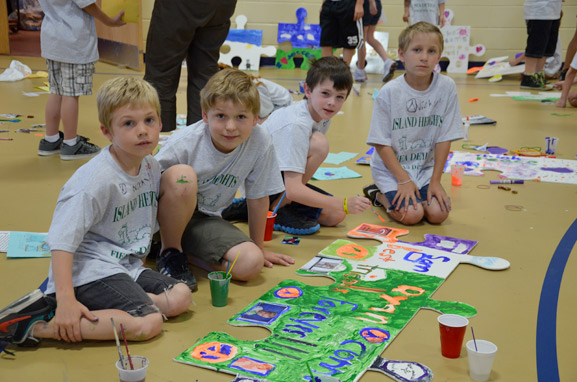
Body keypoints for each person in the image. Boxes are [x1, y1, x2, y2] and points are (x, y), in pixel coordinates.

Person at [0, 77, 192, 351]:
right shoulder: (94, 181)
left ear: (161, 123)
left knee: (181, 295)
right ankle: (39, 325)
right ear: (106, 131)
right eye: (128, 123)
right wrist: (66, 300)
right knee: (148, 323)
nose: (142, 131)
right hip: (88, 269)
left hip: (124, 264)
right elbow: (62, 242)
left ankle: (106, 307)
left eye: (149, 120)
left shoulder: (148, 165)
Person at [154, 68, 294, 286]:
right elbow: (145, 190)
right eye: (221, 116)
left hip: (204, 220)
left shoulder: (260, 140)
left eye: (241, 117)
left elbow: (257, 198)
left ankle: (186, 255)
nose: (230, 127)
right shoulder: (185, 143)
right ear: (205, 115)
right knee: (183, 177)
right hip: (160, 220)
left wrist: (259, 248)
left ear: (256, 118)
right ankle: (168, 251)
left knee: (251, 263)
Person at [223, 57, 370, 235]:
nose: (332, 102)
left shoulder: (321, 114)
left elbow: (296, 175)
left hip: (278, 180)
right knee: (320, 146)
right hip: (260, 184)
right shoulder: (296, 124)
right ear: (307, 90)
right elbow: (293, 190)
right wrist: (345, 203)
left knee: (335, 216)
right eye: (325, 93)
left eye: (340, 97)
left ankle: (260, 207)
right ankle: (273, 208)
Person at [363, 22, 463, 226]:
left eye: (431, 51)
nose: (424, 57)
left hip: (425, 169)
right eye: (417, 50)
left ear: (439, 56)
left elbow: (445, 137)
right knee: (412, 215)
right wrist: (404, 180)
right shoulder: (389, 93)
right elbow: (381, 143)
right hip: (391, 171)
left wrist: (435, 180)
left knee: (438, 214)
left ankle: (417, 188)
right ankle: (378, 194)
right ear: (401, 54)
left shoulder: (447, 87)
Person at [37, 0, 125, 160]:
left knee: (56, 91)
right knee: (71, 94)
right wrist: (110, 21)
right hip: (73, 43)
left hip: (52, 39)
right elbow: (86, 4)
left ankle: (51, 139)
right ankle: (71, 144)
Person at [144, 0, 238, 132]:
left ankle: (159, 138)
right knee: (204, 73)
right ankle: (200, 136)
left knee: (161, 74)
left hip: (180, 5)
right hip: (221, 5)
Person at [218, 64, 293, 123]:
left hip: (282, 106)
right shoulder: (238, 85)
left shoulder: (253, 88)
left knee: (253, 122)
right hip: (269, 106)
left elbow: (265, 112)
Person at [520, 0, 562, 89]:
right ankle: (529, 76)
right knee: (536, 45)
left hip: (554, 10)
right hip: (539, 11)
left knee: (547, 47)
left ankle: (538, 75)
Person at [354, 0, 398, 83]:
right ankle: (387, 61)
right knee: (369, 37)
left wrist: (371, 3)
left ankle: (360, 71)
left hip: (366, 4)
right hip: (376, 4)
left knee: (361, 39)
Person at [320, 0, 365, 65]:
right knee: (326, 41)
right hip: (329, 4)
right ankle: (327, 72)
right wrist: (323, 3)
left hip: (348, 4)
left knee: (349, 43)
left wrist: (359, 4)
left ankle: (345, 71)